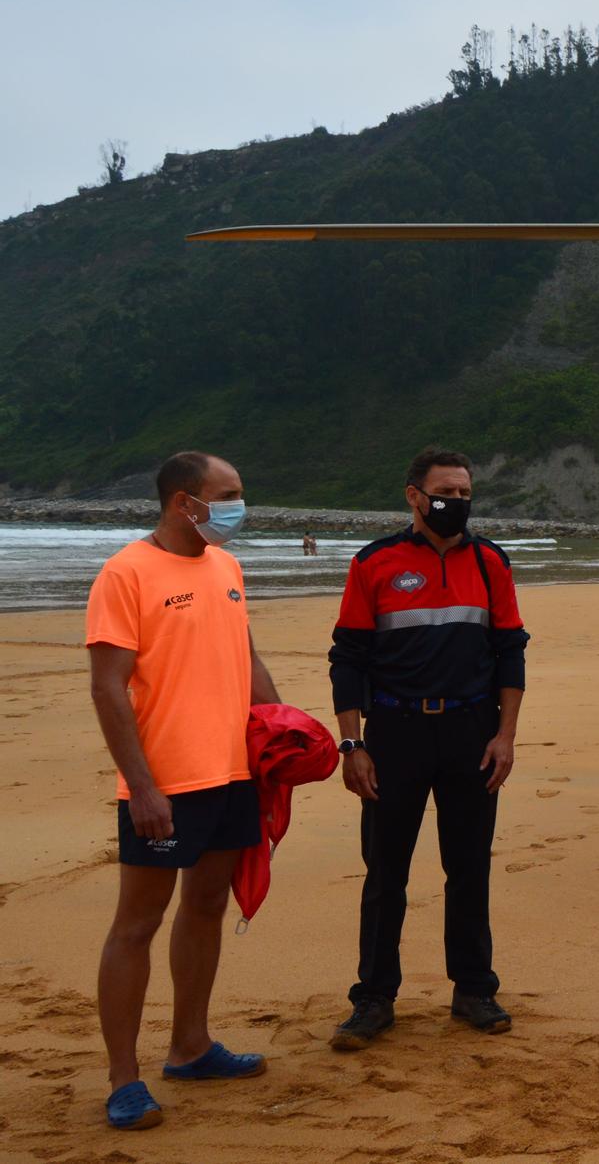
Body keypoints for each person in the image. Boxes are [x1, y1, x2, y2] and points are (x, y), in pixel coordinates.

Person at [86, 451, 282, 1130]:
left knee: (205, 905)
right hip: (165, 784)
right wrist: (141, 786)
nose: (238, 505)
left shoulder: (226, 567)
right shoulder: (126, 573)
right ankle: (123, 1080)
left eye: (239, 492)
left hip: (233, 774)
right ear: (183, 503)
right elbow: (108, 687)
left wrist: (283, 731)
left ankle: (191, 1045)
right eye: (226, 494)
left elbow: (245, 656)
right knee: (137, 924)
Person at [325, 448, 530, 1049]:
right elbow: (349, 659)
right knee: (385, 873)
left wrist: (506, 735)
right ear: (414, 496)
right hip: (394, 735)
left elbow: (510, 651)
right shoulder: (375, 563)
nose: (458, 503)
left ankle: (473, 990)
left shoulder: (491, 561)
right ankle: (373, 999)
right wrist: (351, 743)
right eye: (446, 492)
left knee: (469, 867)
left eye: (465, 493)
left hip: (473, 733)